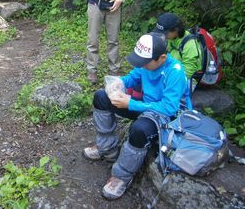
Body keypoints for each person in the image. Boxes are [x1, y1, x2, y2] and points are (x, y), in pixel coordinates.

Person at [82, 32, 192, 200]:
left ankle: (121, 176)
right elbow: (133, 77)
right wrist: (120, 83)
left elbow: (169, 108)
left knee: (139, 129)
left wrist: (131, 104)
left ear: (162, 58)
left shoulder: (175, 72)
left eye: (145, 62)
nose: (142, 65)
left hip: (166, 117)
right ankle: (107, 148)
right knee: (101, 97)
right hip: (146, 105)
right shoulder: (146, 64)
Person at [153, 12, 203, 92]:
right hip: (171, 70)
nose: (162, 35)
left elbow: (189, 71)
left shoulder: (189, 44)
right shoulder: (171, 38)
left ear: (176, 30)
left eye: (165, 33)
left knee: (160, 91)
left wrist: (168, 79)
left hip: (186, 78)